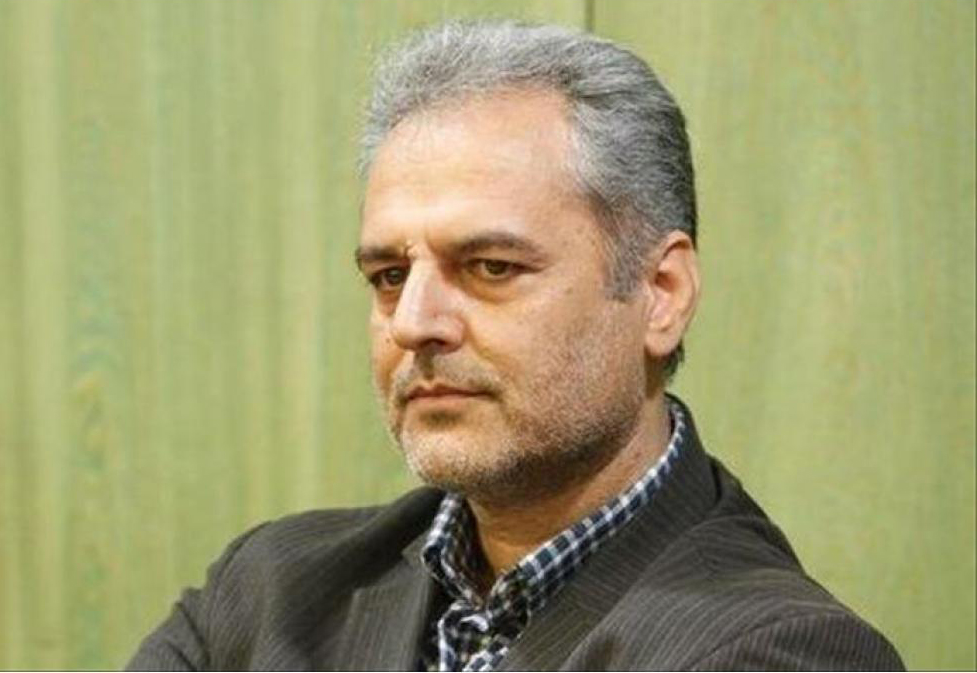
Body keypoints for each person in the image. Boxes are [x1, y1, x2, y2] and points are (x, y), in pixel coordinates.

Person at [128, 20, 903, 671]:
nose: (414, 323)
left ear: (661, 292)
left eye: (491, 266)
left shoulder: (778, 650)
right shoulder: (269, 591)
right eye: (390, 275)